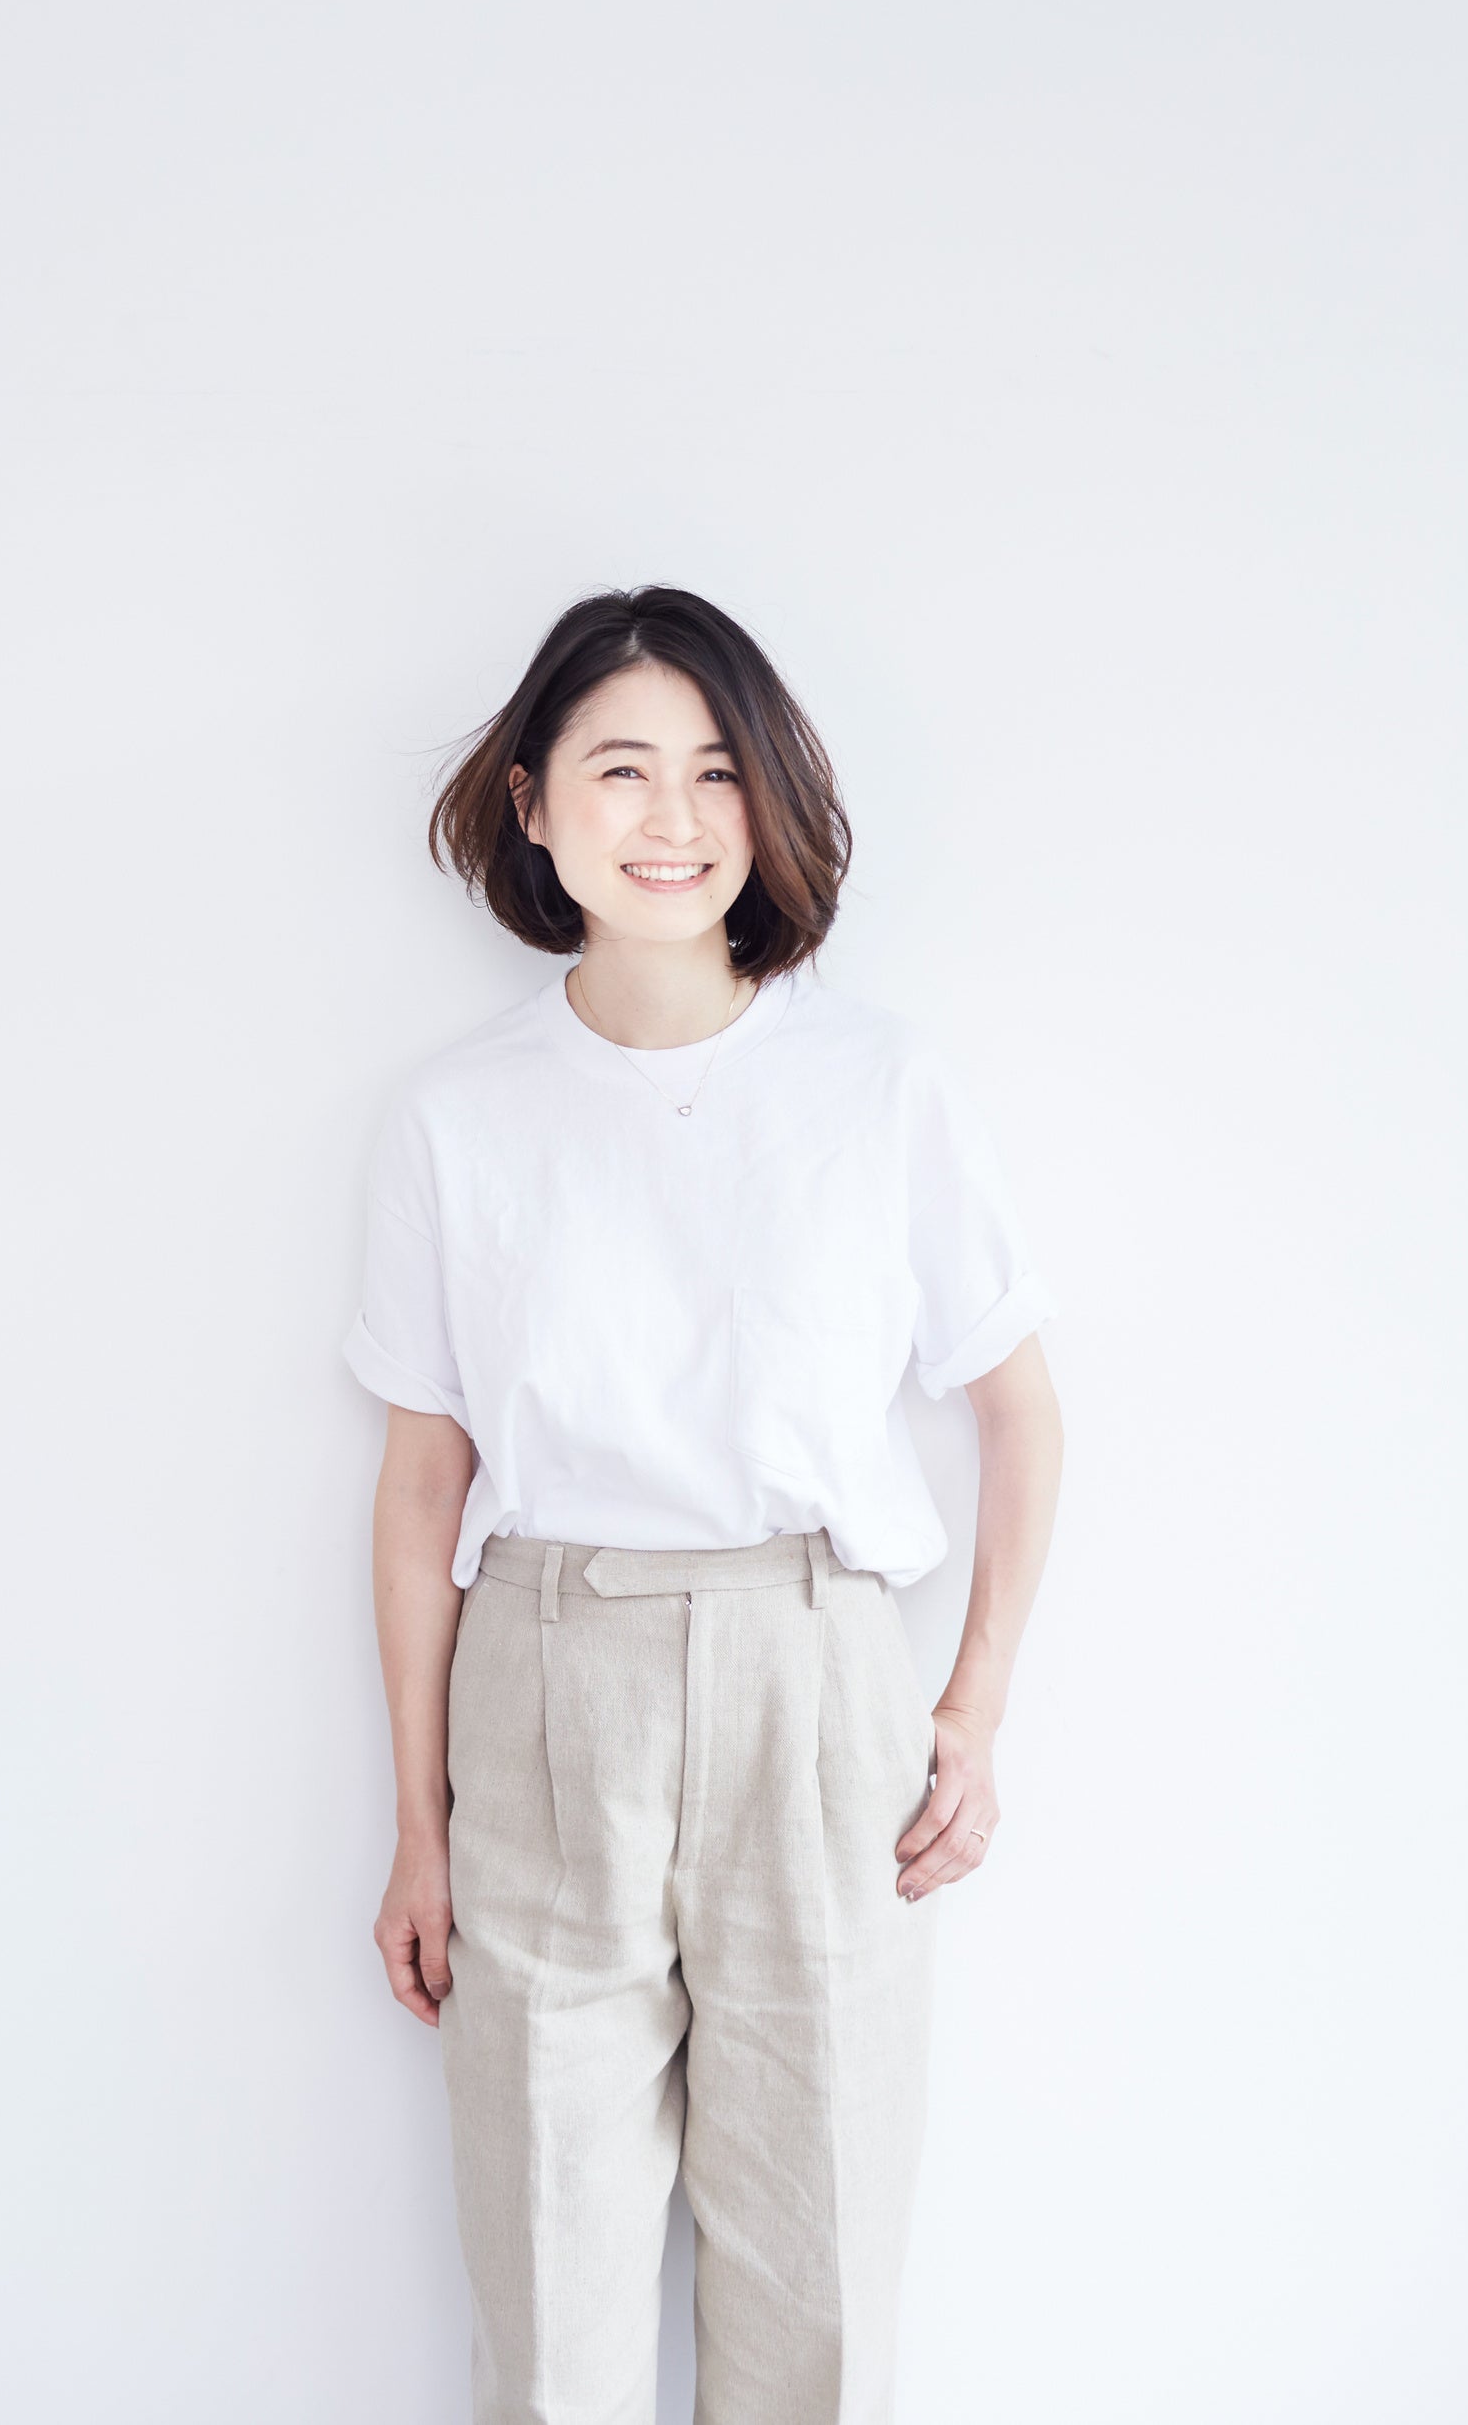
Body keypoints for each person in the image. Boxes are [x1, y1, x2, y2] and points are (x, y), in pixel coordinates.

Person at [344, 584, 1065, 2425]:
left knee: (814, 2285)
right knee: (549, 2291)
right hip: (544, 1680)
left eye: (717, 772)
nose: (672, 818)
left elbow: (1017, 1408)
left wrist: (971, 1708)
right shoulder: (457, 1118)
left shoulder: (873, 1083)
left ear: (767, 804)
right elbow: (422, 1486)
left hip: (810, 1675)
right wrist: (417, 1825)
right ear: (532, 803)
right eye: (621, 769)